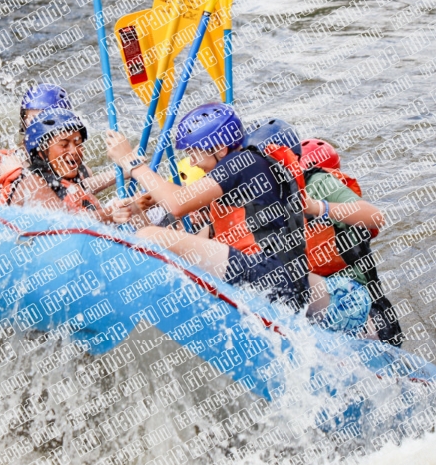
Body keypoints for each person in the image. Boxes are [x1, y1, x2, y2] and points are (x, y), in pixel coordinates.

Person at [105, 103, 386, 321]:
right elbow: (197, 244)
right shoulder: (236, 183)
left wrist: (132, 162)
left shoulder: (245, 161)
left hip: (275, 280)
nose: (192, 162)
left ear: (219, 148)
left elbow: (178, 203)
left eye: (194, 153)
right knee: (154, 235)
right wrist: (136, 212)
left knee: (150, 235)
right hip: (281, 281)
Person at [244, 120, 380, 339]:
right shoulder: (259, 200)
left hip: (351, 297)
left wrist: (317, 207)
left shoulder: (317, 183)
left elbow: (374, 217)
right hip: (307, 295)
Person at [300, 138, 403, 346]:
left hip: (366, 310)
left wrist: (320, 208)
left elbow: (375, 217)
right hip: (331, 302)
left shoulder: (335, 203)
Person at [4, 109, 150, 226]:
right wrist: (111, 213)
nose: (74, 151)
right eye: (64, 145)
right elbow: (63, 224)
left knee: (136, 208)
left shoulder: (66, 179)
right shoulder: (33, 182)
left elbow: (88, 186)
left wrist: (129, 169)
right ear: (41, 153)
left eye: (78, 143)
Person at [0, 83, 115, 205]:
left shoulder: (81, 170)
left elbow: (80, 189)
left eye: (46, 121)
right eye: (33, 120)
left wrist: (127, 167)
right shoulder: (10, 162)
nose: (37, 128)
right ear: (23, 124)